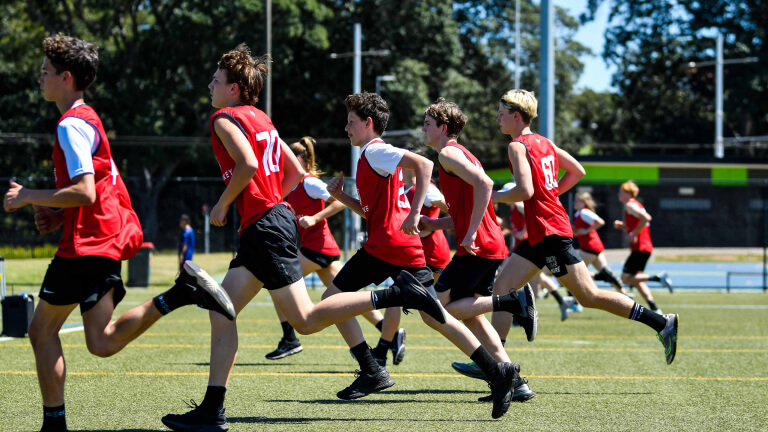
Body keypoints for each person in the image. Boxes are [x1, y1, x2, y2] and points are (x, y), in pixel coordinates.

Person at [161, 46, 447, 431]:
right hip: (265, 226)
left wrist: (224, 203)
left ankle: (397, 295)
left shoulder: (223, 118)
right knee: (221, 309)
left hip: (263, 228)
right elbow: (295, 173)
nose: (210, 85)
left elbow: (247, 165)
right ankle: (212, 411)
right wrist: (269, 201)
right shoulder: (263, 120)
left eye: (216, 80)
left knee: (307, 320)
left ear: (233, 89)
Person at [2, 35, 236, 432]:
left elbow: (86, 190)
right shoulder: (87, 118)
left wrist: (27, 196)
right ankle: (180, 293)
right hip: (102, 238)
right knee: (102, 342)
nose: (39, 78)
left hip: (87, 245)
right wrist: (58, 215)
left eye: (45, 72)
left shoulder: (70, 126)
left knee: (41, 330)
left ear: (67, 77)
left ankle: (53, 426)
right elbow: (97, 191)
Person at [325, 91, 528, 419]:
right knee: (435, 314)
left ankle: (372, 367)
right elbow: (372, 212)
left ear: (368, 123)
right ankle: (498, 372)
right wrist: (343, 197)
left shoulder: (376, 150)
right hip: (396, 244)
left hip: (387, 246)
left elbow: (423, 164)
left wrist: (417, 213)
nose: (346, 127)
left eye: (351, 122)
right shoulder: (370, 157)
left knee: (330, 300)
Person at [488, 89, 678, 366]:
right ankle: (496, 362)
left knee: (588, 296)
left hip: (549, 232)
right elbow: (578, 171)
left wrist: (494, 195)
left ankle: (661, 322)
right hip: (544, 231)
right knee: (502, 286)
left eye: (502, 114)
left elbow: (525, 190)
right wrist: (551, 193)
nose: (497, 119)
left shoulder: (517, 146)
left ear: (516, 116)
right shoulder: (545, 143)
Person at [417, 97, 536, 403]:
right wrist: (436, 224)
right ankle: (516, 382)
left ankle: (513, 300)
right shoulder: (460, 154)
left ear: (443, 128)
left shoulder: (448, 154)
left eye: (428, 124)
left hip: (478, 246)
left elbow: (484, 185)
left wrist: (469, 233)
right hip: (487, 244)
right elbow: (467, 208)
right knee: (472, 316)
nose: (423, 129)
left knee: (434, 312)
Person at [266, 137, 407, 365]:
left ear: (300, 160)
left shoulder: (309, 183)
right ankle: (389, 334)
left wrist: (315, 217)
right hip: (318, 250)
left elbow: (339, 202)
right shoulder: (289, 185)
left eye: (289, 158)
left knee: (278, 282)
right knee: (342, 299)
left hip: (318, 248)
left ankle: (290, 338)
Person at [614, 180, 674, 314]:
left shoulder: (630, 205)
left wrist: (633, 233)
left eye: (621, 191)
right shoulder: (636, 205)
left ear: (628, 193)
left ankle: (658, 278)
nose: (618, 194)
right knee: (636, 280)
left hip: (640, 247)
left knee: (625, 279)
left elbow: (646, 218)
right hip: (644, 247)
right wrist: (623, 227)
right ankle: (655, 309)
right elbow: (638, 225)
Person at [572, 192, 627, 296]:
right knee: (605, 273)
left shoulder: (584, 212)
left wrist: (587, 230)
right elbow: (578, 231)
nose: (574, 202)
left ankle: (575, 302)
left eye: (576, 200)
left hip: (590, 247)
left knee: (574, 273)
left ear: (583, 203)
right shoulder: (578, 214)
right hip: (594, 246)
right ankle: (624, 293)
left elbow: (600, 222)